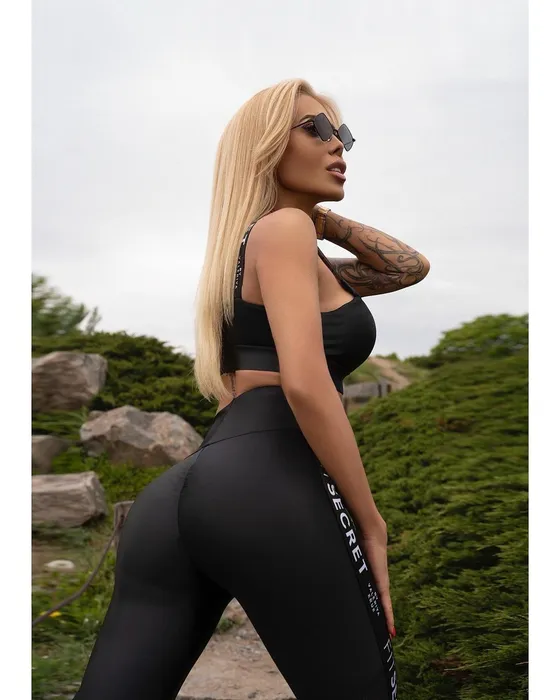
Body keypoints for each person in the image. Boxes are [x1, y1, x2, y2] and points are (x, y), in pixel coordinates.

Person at [73, 78, 404, 700]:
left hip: (185, 493)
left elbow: (405, 267)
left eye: (342, 133)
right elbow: (306, 384)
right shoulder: (285, 230)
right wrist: (371, 521)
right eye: (316, 129)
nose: (339, 145)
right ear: (265, 146)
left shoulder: (265, 247)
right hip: (268, 479)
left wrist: (321, 216)